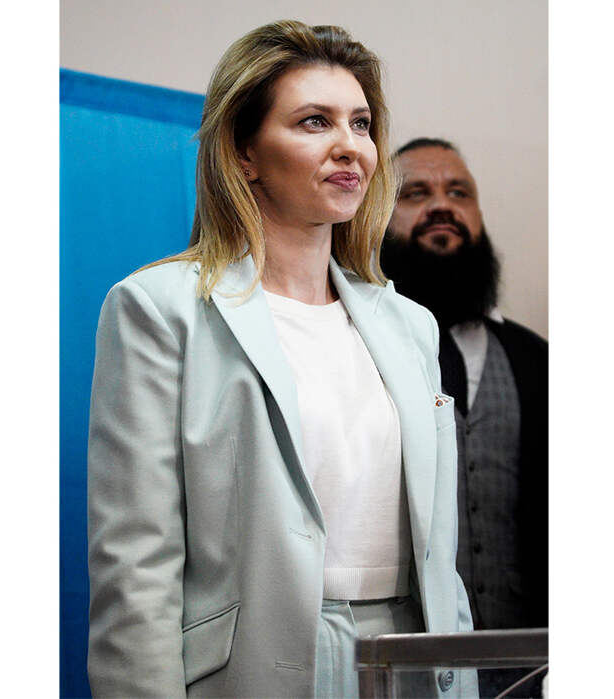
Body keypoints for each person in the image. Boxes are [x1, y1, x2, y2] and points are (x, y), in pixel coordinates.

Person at [87, 25, 476, 699]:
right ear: (245, 154)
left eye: (361, 123)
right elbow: (136, 567)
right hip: (257, 665)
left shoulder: (411, 326)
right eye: (314, 121)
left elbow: (442, 559)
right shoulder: (159, 309)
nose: (349, 145)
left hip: (415, 656)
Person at [381, 138, 548, 697]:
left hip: (536, 668)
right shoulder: (356, 351)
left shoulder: (539, 361)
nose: (441, 205)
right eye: (416, 193)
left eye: (459, 193)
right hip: (405, 669)